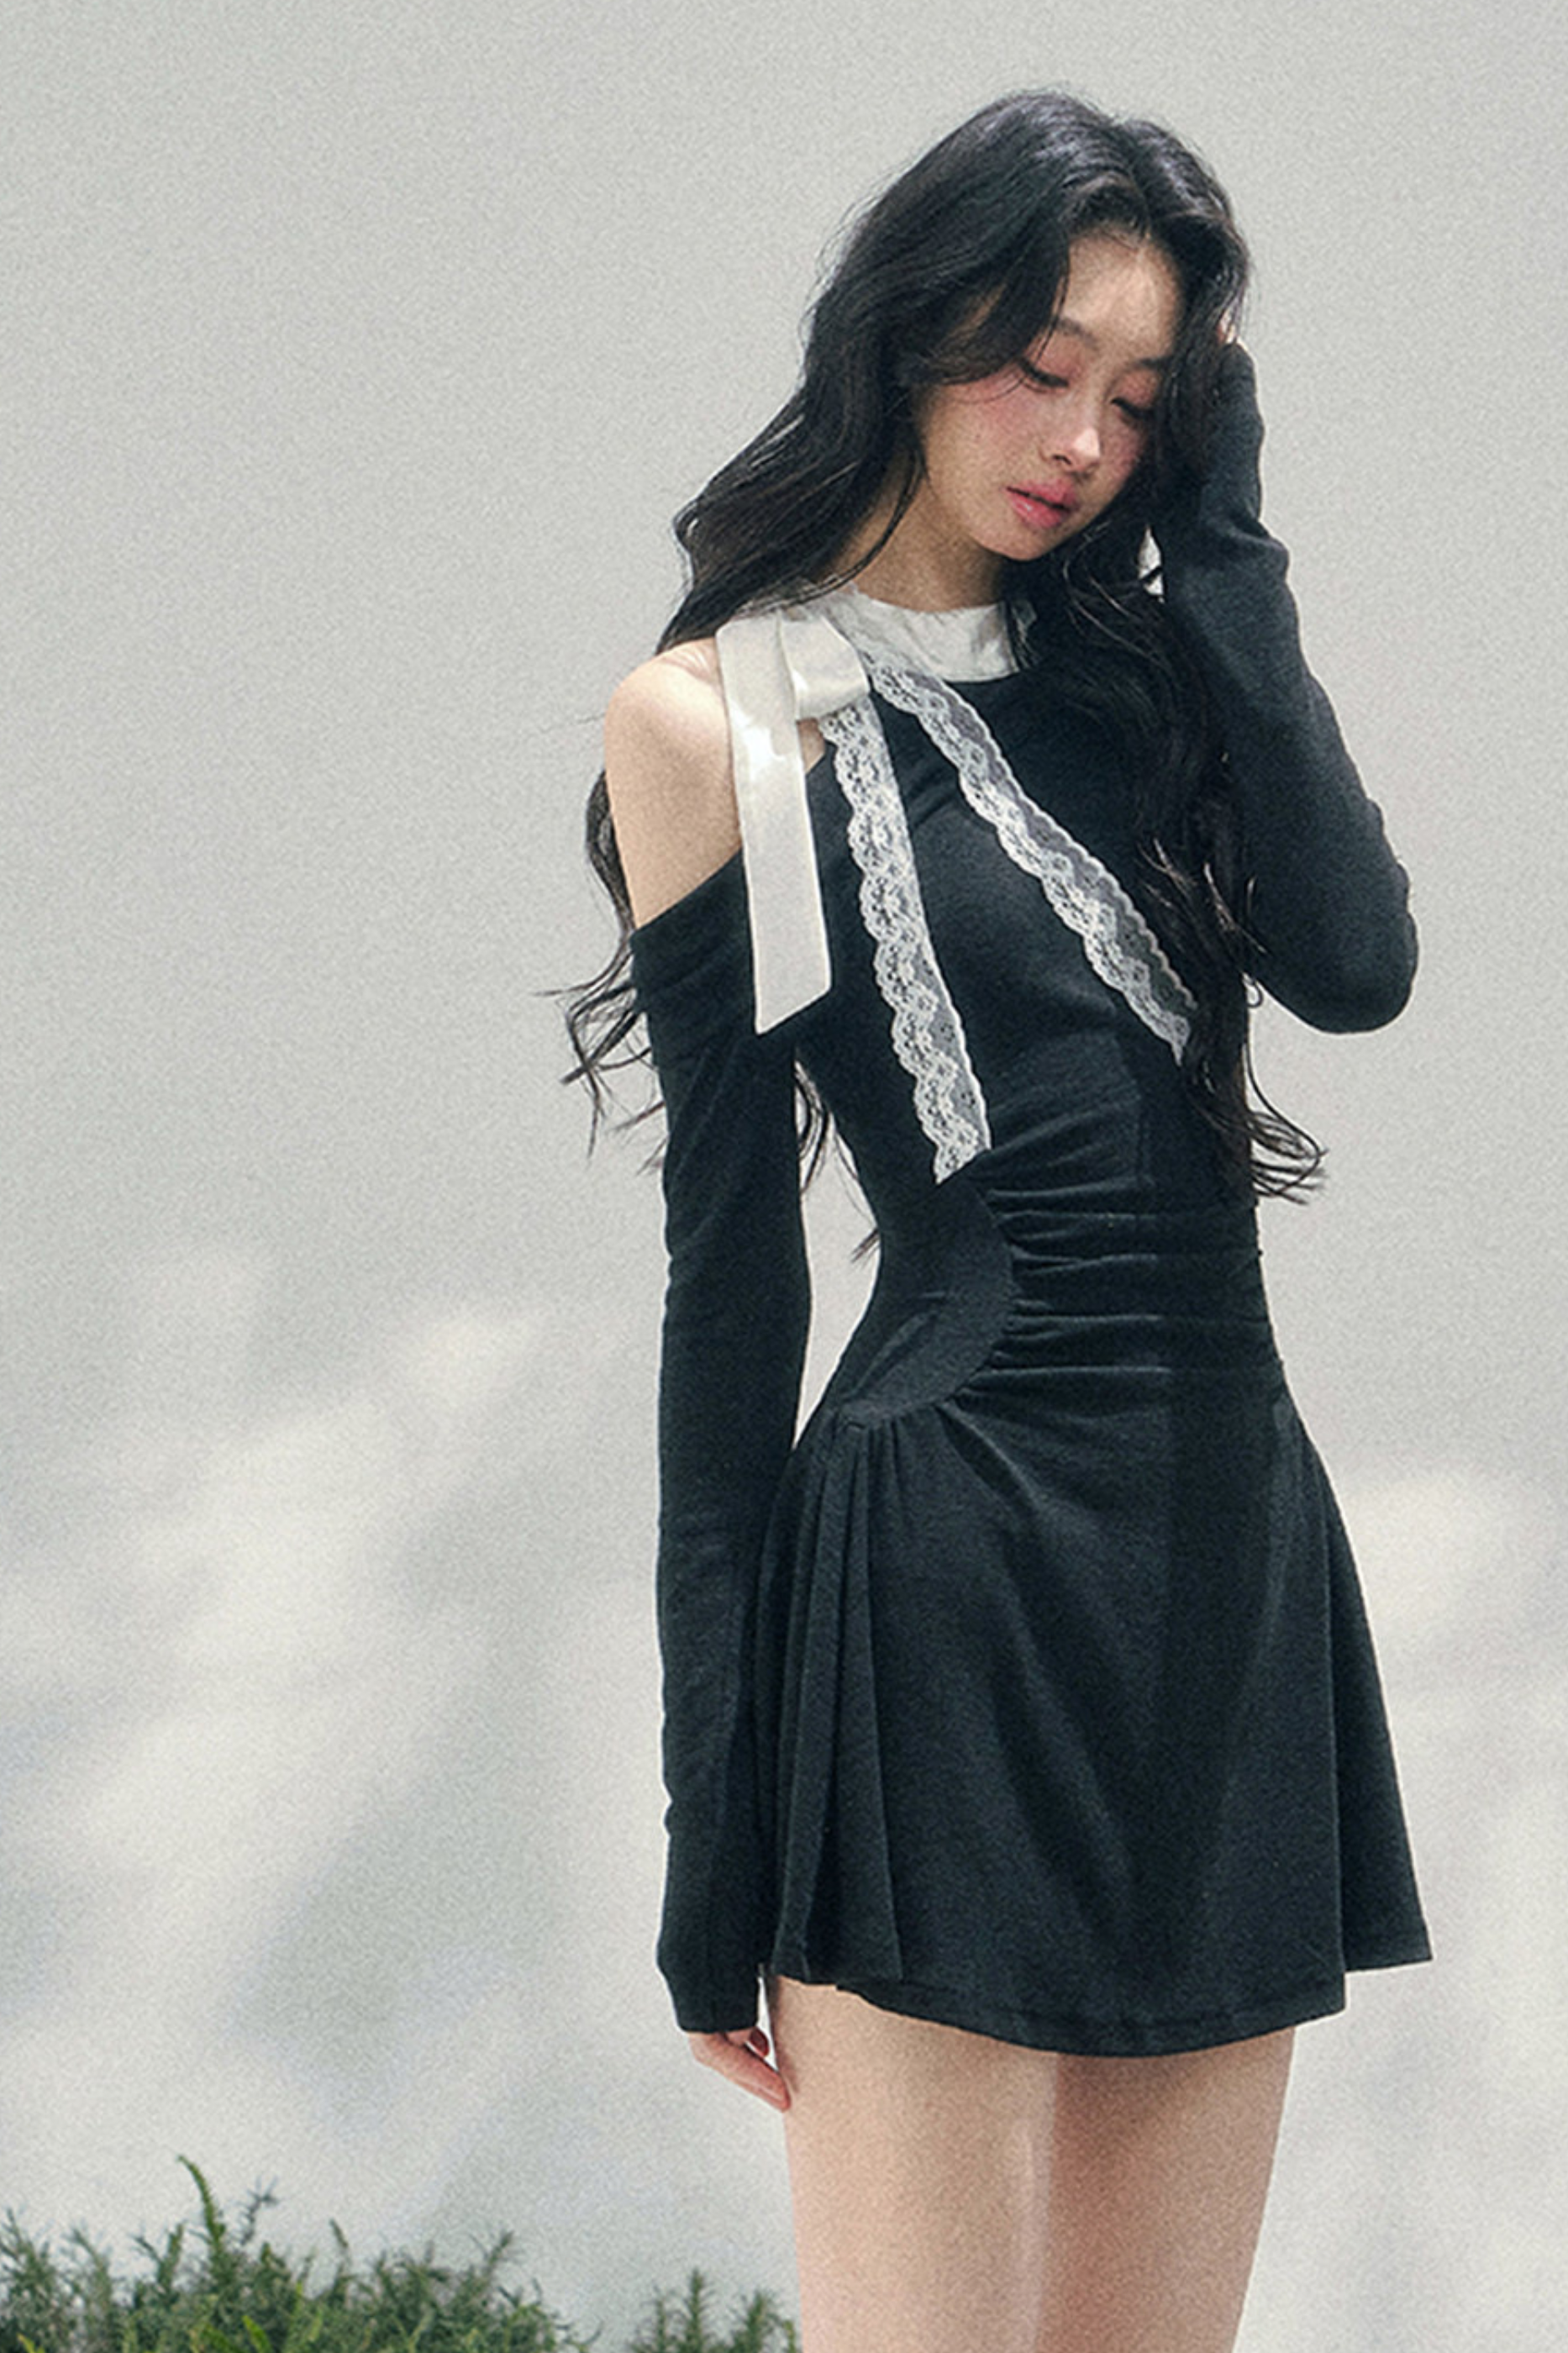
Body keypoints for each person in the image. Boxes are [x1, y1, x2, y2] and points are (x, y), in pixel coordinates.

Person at [568, 89, 1429, 2353]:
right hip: (942, 1586)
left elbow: (1357, 963)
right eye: (1041, 366)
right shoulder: (730, 720)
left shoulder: (1153, 680)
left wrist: (1228, 557)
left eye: (1141, 400)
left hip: (1225, 1569)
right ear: (911, 326)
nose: (1079, 442)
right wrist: (714, 1827)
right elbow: (733, 1295)